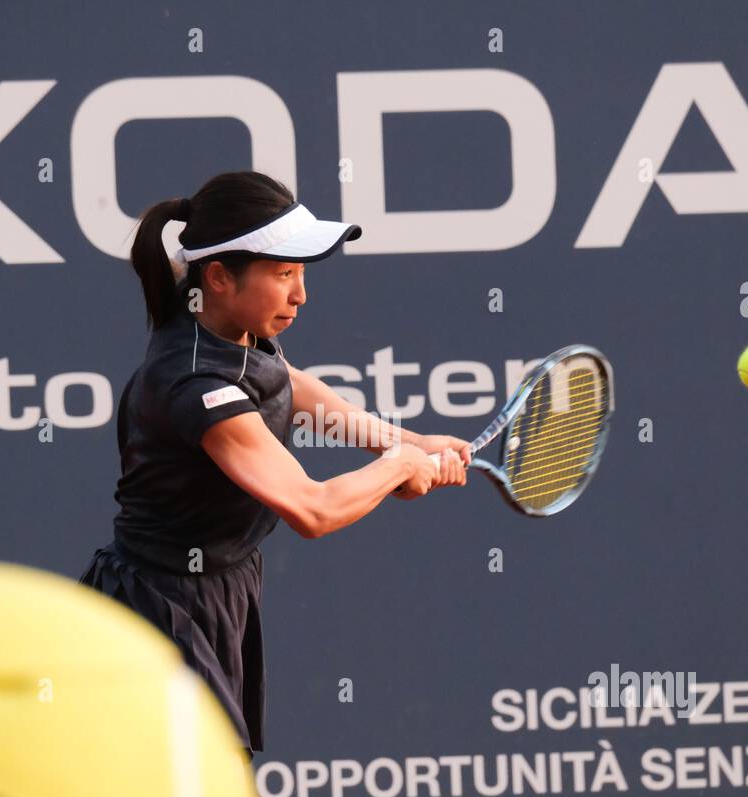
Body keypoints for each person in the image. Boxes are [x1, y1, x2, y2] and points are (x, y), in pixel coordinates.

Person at [80, 171, 470, 762]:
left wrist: (407, 439)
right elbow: (313, 510)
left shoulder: (230, 328)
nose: (301, 294)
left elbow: (288, 385)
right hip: (160, 606)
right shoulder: (195, 384)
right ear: (218, 276)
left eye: (302, 273)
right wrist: (397, 466)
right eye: (283, 273)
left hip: (222, 587)